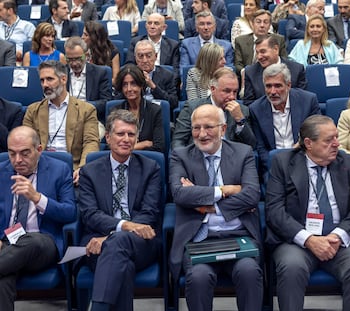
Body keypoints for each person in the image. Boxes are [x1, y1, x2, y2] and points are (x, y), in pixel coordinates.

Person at [266, 114, 350, 311]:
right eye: (329, 140)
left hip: (338, 241)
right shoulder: (283, 162)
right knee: (291, 268)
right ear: (308, 143)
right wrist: (308, 239)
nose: (336, 144)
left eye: (336, 137)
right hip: (297, 241)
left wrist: (337, 235)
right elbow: (274, 211)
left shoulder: (347, 163)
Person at [169, 104, 263, 311]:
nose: (201, 134)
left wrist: (207, 205)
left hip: (239, 236)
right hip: (199, 239)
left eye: (208, 127)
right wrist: (225, 190)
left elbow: (252, 195)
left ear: (222, 129)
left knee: (249, 272)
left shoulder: (242, 152)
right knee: (199, 277)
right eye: (196, 128)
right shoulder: (181, 156)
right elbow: (180, 194)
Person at [78, 109, 162, 311]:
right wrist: (124, 226)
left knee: (118, 244)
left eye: (131, 134)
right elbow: (89, 214)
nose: (126, 139)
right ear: (107, 137)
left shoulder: (150, 168)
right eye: (120, 133)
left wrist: (112, 236)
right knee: (123, 267)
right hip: (96, 243)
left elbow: (149, 212)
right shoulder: (90, 171)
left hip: (140, 242)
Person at [0, 126, 76, 311]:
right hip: (6, 244)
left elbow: (70, 213)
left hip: (42, 242)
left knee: (31, 241)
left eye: (25, 153)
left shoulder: (59, 169)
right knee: (2, 279)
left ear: (39, 150)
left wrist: (37, 198)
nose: (18, 160)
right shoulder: (1, 171)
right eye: (12, 154)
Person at [23, 60, 100, 184]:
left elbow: (91, 142)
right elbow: (26, 143)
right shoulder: (33, 110)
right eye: (42, 80)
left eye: (49, 79)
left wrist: (82, 168)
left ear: (63, 79)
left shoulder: (86, 110)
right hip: (40, 169)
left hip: (71, 169)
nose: (45, 84)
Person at [249, 63, 320, 175]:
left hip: (304, 162)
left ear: (288, 85)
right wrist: (275, 166)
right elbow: (261, 148)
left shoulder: (308, 101)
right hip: (274, 167)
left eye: (278, 86)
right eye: (268, 86)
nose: (272, 92)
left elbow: (316, 136)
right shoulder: (256, 109)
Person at [172, 67, 256, 150]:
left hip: (231, 161)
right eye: (227, 91)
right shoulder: (192, 108)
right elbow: (178, 141)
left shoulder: (242, 111)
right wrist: (185, 161)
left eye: (235, 92)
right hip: (199, 159)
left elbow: (251, 145)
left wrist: (240, 121)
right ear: (213, 89)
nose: (232, 97)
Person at [111, 64, 165, 153]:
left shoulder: (154, 110)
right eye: (125, 85)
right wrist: (143, 144)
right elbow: (109, 145)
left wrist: (124, 147)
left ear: (141, 85)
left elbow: (159, 147)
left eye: (133, 83)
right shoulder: (115, 111)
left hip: (147, 160)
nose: (129, 89)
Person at [243, 34, 307, 105]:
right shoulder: (251, 72)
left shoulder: (297, 70)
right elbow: (248, 103)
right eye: (257, 53)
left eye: (263, 52)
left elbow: (302, 99)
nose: (259, 57)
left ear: (276, 49)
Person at [64, 36, 112, 126]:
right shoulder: (60, 73)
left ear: (86, 55)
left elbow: (105, 102)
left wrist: (81, 107)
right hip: (65, 119)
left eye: (78, 58)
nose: (74, 63)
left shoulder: (100, 73)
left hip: (91, 119)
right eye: (69, 59)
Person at [234, 9, 287, 77]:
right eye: (258, 22)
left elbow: (284, 60)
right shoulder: (240, 41)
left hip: (273, 75)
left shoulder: (279, 40)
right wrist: (247, 73)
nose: (262, 25)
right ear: (252, 24)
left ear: (270, 25)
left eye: (265, 22)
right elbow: (238, 64)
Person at [134, 40, 179, 116]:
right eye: (140, 56)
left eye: (148, 56)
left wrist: (153, 86)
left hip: (159, 114)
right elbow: (118, 99)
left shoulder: (167, 75)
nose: (144, 60)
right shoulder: (129, 75)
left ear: (156, 56)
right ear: (135, 58)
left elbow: (173, 102)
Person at [82, 21, 120, 86]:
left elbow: (116, 80)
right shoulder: (81, 51)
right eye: (83, 34)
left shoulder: (112, 52)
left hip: (105, 87)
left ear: (94, 37)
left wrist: (99, 83)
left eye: (86, 35)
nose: (82, 37)